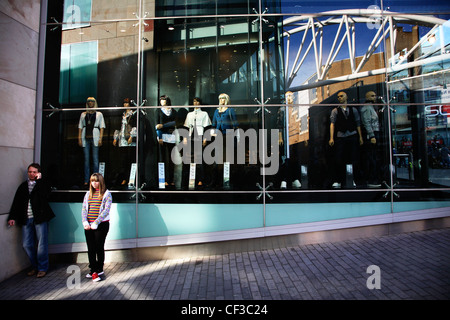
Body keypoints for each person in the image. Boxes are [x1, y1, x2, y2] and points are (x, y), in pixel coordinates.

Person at [7, 163, 55, 278]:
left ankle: (42, 268)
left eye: (34, 172)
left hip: (40, 218)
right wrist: (12, 217)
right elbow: (16, 202)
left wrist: (39, 181)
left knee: (41, 245)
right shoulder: (23, 186)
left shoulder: (43, 184)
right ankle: (35, 266)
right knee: (26, 244)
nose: (31, 174)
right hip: (26, 218)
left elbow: (46, 195)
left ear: (38, 173)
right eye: (30, 172)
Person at [329, 91, 363, 188]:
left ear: (346, 97)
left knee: (353, 158)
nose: (339, 98)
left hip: (352, 135)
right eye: (338, 97)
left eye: (341, 96)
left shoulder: (353, 110)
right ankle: (339, 179)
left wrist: (360, 137)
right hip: (341, 136)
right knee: (339, 159)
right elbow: (332, 124)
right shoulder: (335, 111)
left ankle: (352, 179)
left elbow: (358, 124)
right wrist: (331, 138)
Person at [81, 173, 112, 282]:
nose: (94, 183)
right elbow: (84, 209)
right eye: (92, 181)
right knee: (91, 248)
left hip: (101, 225)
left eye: (96, 181)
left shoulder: (106, 194)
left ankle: (98, 269)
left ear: (101, 182)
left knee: (99, 246)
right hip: (89, 225)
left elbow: (106, 210)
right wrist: (85, 221)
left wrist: (97, 222)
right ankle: (93, 269)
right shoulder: (88, 194)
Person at [210, 93, 239, 189]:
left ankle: (227, 181)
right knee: (218, 159)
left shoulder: (230, 110)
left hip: (228, 135)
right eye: (220, 98)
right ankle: (216, 181)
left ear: (226, 99)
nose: (221, 100)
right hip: (218, 136)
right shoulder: (216, 111)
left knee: (228, 159)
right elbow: (213, 124)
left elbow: (235, 125)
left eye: (223, 98)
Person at [183, 97, 212, 187]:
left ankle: (200, 179)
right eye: (194, 101)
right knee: (191, 159)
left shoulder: (204, 114)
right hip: (191, 137)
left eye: (197, 101)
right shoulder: (189, 114)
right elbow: (186, 127)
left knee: (200, 159)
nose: (195, 103)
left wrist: (205, 139)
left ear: (200, 103)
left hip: (200, 136)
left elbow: (208, 127)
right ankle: (192, 179)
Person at [78, 97, 106, 187]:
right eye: (89, 101)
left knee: (95, 159)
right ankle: (86, 179)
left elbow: (102, 127)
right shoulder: (83, 114)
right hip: (85, 137)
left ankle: (96, 180)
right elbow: (80, 127)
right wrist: (79, 138)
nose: (90, 103)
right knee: (86, 160)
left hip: (95, 137)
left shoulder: (99, 114)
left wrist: (101, 138)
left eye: (92, 101)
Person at [277, 91, 302, 189]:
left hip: (295, 137)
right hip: (286, 137)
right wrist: (280, 137)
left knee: (295, 159)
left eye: (290, 96)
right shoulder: (282, 109)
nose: (289, 98)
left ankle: (295, 179)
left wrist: (299, 137)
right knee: (285, 159)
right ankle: (284, 180)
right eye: (287, 96)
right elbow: (279, 125)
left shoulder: (296, 108)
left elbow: (299, 121)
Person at [112, 98, 137, 187]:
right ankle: (124, 178)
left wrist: (132, 137)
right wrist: (115, 138)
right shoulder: (122, 114)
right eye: (124, 103)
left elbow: (135, 126)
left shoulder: (134, 113)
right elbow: (118, 126)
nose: (125, 105)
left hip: (129, 139)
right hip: (122, 139)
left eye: (127, 103)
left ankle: (131, 178)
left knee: (131, 159)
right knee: (123, 160)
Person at [360, 91, 382, 187]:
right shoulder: (366, 108)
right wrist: (372, 135)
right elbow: (366, 122)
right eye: (372, 96)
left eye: (375, 95)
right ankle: (371, 179)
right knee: (371, 157)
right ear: (367, 97)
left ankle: (373, 178)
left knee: (374, 157)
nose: (374, 97)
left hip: (375, 133)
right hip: (371, 134)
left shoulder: (371, 107)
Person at [156, 95, 177, 187]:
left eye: (164, 100)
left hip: (171, 136)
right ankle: (162, 179)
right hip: (162, 136)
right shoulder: (158, 111)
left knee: (171, 159)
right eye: (161, 100)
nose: (162, 101)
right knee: (162, 158)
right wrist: (159, 137)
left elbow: (175, 122)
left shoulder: (173, 111)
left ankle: (171, 179)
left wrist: (163, 125)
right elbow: (157, 126)